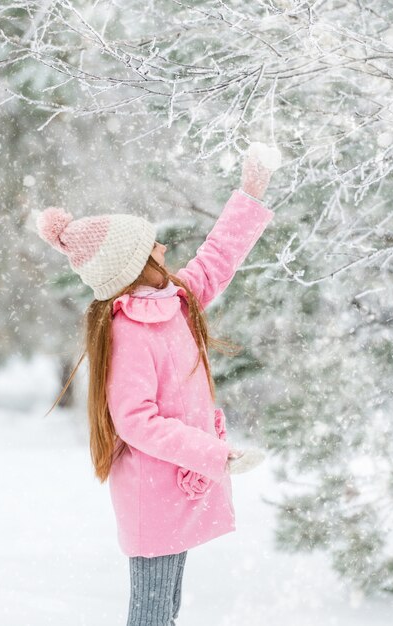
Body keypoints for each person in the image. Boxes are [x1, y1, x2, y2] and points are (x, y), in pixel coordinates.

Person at [28, 141, 280, 625]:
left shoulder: (174, 301)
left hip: (175, 487)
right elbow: (136, 421)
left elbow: (217, 258)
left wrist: (250, 193)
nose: (163, 247)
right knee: (151, 614)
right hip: (154, 492)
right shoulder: (128, 329)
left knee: (164, 609)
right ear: (135, 265)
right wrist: (215, 453)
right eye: (152, 245)